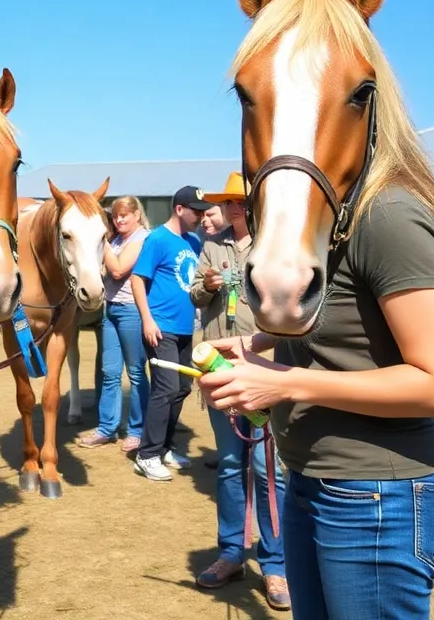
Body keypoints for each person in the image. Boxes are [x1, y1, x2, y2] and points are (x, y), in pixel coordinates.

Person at [198, 168, 434, 617]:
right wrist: (258, 342)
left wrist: (282, 382)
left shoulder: (387, 217)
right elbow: (346, 314)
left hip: (378, 495)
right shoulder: (329, 220)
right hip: (313, 479)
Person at [189, 172, 289, 611]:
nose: (232, 208)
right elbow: (194, 293)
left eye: (239, 201)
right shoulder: (211, 245)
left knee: (269, 471)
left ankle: (276, 564)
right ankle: (231, 554)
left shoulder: (276, 244)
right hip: (218, 366)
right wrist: (205, 287)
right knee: (231, 465)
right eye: (227, 202)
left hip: (263, 367)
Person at [131, 185, 209, 481]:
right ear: (179, 209)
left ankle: (163, 447)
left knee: (182, 389)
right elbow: (138, 279)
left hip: (185, 328)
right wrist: (147, 320)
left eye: (203, 212)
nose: (200, 217)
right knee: (164, 389)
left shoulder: (192, 240)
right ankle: (146, 455)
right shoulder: (157, 239)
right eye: (196, 211)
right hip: (160, 328)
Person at [78, 196, 151, 451]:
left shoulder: (142, 238)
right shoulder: (118, 239)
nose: (119, 219)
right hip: (111, 310)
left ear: (137, 216)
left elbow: (119, 270)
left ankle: (137, 430)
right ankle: (107, 428)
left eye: (125, 215)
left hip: (132, 311)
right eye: (117, 216)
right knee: (110, 373)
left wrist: (100, 241)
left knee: (136, 373)